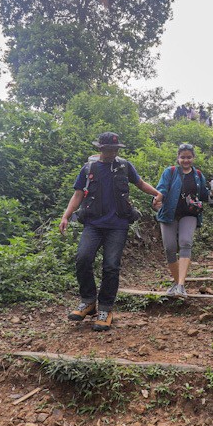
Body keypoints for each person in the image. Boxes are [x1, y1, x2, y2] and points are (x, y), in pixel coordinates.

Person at [59, 132, 163, 331]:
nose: (111, 153)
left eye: (115, 149)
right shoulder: (89, 168)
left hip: (118, 225)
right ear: (100, 149)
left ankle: (105, 308)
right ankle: (88, 301)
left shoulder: (124, 166)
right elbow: (78, 193)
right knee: (83, 258)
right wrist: (66, 215)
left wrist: (157, 193)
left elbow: (139, 183)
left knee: (111, 265)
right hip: (93, 224)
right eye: (108, 149)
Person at [152, 143, 213, 298]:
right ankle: (176, 283)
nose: (186, 160)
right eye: (183, 157)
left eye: (189, 157)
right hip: (169, 213)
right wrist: (158, 199)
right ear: (178, 158)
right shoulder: (170, 172)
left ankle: (181, 285)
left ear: (193, 158)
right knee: (170, 248)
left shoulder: (198, 175)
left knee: (186, 242)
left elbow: (203, 195)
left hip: (190, 214)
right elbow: (162, 188)